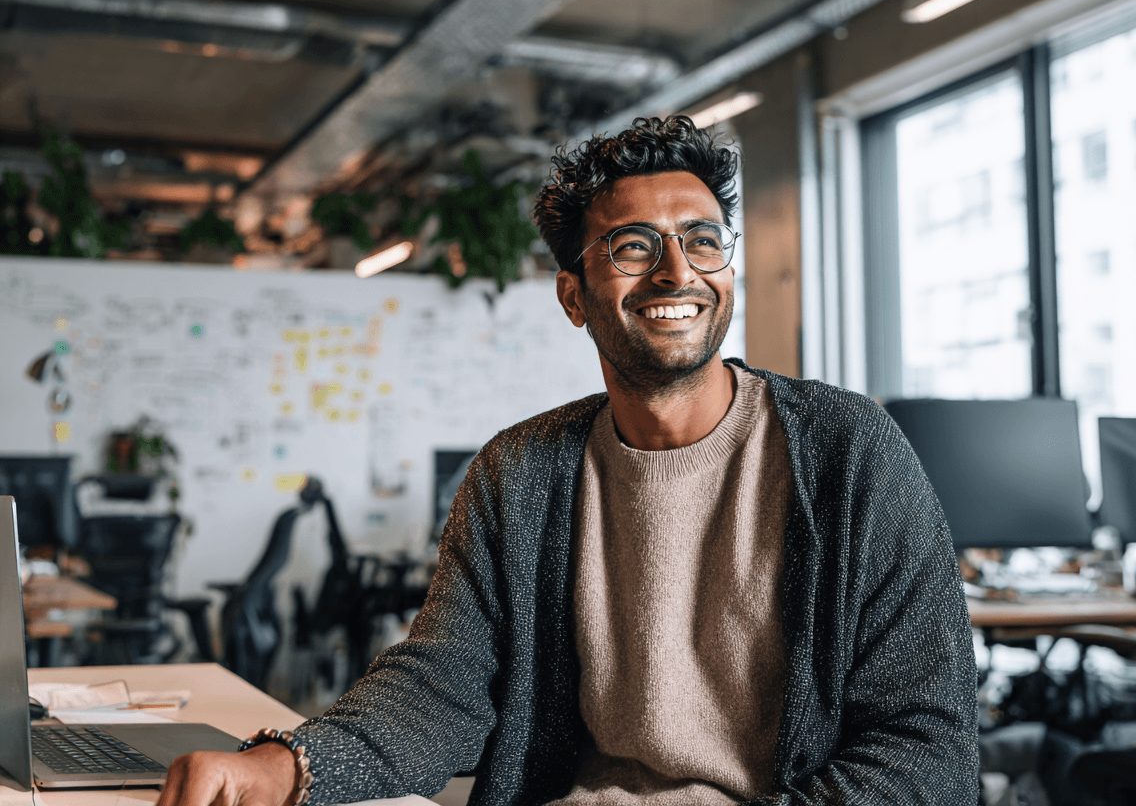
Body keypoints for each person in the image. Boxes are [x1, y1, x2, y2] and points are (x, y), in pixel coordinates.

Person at [158, 116, 978, 806]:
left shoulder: (847, 450)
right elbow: (444, 685)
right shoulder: (519, 472)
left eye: (702, 241)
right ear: (573, 295)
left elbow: (929, 749)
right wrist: (285, 765)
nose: (677, 271)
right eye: (631, 247)